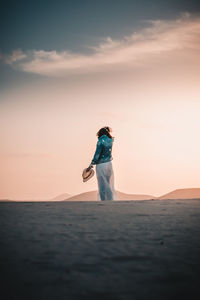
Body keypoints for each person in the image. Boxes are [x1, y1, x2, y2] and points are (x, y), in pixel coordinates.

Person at [87, 126, 117, 200]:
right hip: (109, 164)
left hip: (101, 165)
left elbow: (97, 154)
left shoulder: (100, 141)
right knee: (108, 183)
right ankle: (110, 200)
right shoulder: (110, 141)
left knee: (102, 184)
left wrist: (91, 165)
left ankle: (103, 201)